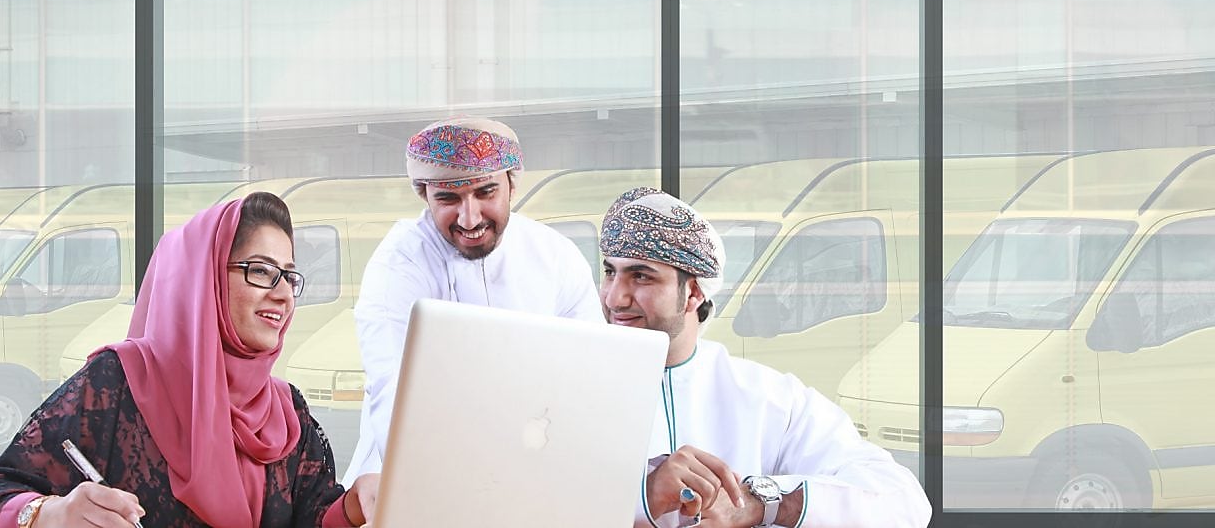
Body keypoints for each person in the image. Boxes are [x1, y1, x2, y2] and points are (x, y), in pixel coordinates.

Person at [0, 192, 375, 528]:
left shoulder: (286, 410)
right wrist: (50, 514)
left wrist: (355, 507)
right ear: (203, 278)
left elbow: (314, 518)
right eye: (260, 270)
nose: (282, 293)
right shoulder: (118, 383)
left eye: (289, 275)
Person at [598, 187, 931, 528]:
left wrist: (759, 503)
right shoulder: (573, 387)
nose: (615, 297)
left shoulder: (769, 397)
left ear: (694, 292)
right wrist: (645, 496)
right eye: (610, 272)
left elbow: (904, 503)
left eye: (640, 276)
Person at [343, 116, 602, 483]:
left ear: (512, 185)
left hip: (537, 469)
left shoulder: (555, 256)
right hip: (419, 477)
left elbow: (593, 377)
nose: (469, 217)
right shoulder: (398, 266)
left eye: (485, 192)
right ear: (425, 196)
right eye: (448, 198)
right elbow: (394, 396)